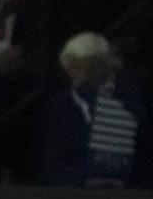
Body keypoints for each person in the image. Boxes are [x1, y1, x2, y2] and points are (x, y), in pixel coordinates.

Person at [41, 33, 148, 188]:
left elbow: (143, 151)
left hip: (126, 194)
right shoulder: (60, 105)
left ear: (105, 66)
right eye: (76, 67)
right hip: (72, 195)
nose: (84, 75)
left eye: (92, 68)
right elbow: (52, 157)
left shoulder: (131, 101)